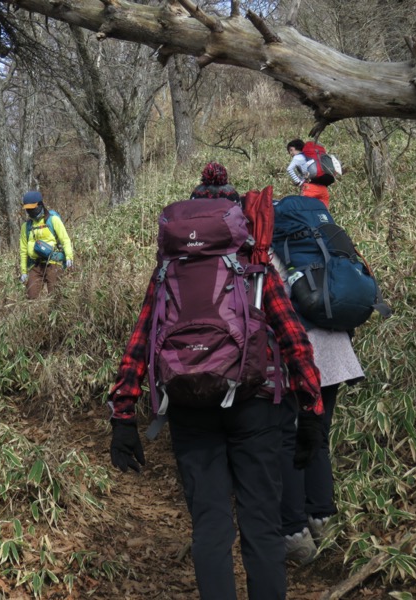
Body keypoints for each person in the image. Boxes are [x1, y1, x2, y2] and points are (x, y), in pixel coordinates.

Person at [107, 162, 324, 600]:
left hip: (188, 403)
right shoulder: (251, 260)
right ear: (234, 214)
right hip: (256, 399)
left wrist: (123, 415)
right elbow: (292, 337)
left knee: (209, 526)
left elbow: (142, 338)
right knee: (261, 526)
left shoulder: (170, 268)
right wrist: (311, 409)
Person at [271, 251, 364, 565]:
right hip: (336, 349)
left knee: (290, 439)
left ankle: (295, 536)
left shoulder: (267, 252)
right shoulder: (314, 246)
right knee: (318, 435)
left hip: (300, 353)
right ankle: (323, 521)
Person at [19, 191, 74, 299]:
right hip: (35, 265)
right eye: (27, 209)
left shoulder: (53, 220)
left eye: (32, 208)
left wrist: (69, 257)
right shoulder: (26, 227)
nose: (30, 211)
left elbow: (65, 239)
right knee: (31, 296)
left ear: (40, 205)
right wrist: (24, 271)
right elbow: (23, 250)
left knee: (55, 296)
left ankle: (56, 314)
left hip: (53, 262)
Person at [286, 139, 330, 208]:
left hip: (309, 188)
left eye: (291, 150)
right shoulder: (311, 157)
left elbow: (289, 169)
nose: (290, 153)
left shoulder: (297, 157)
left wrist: (298, 182)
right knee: (322, 214)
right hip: (323, 189)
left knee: (305, 213)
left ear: (297, 148)